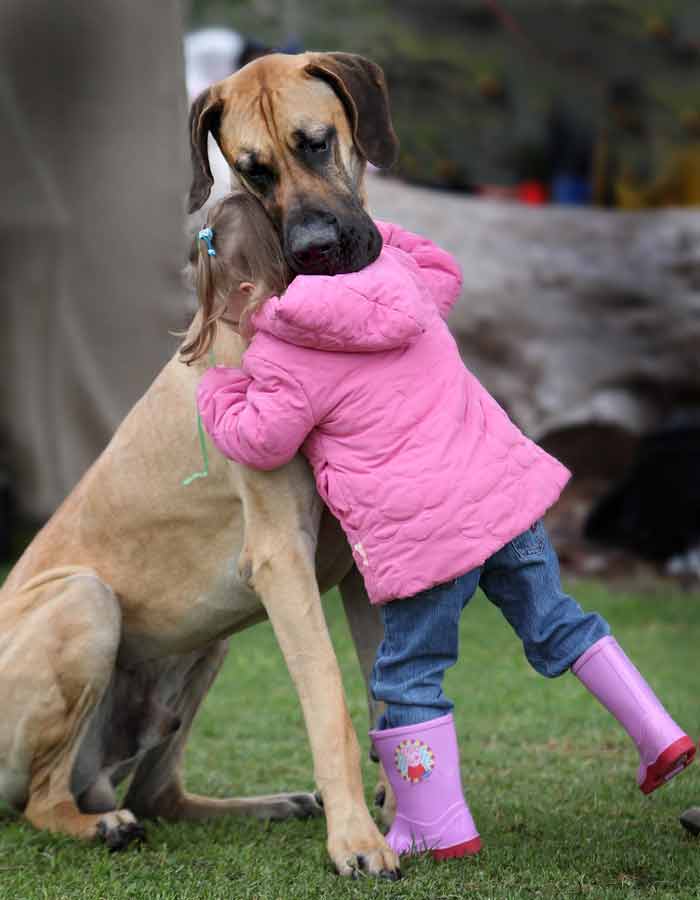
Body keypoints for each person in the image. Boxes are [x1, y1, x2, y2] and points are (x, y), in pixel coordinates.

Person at [190, 193, 696, 862]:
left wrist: (217, 390)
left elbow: (261, 441)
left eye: (215, 302)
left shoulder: (285, 354)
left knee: (408, 678)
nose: (215, 316)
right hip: (502, 501)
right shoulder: (399, 278)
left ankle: (439, 822)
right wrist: (369, 236)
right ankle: (656, 731)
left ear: (248, 290)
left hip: (425, 540)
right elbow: (444, 265)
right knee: (556, 621)